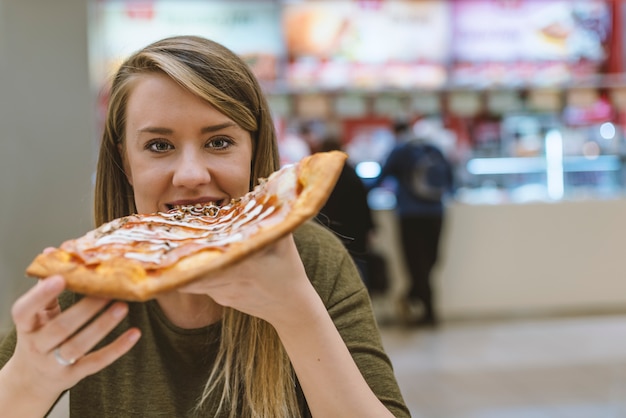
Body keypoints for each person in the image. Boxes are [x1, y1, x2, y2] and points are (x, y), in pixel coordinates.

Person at [0, 36, 409, 417]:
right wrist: (27, 381)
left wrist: (297, 314)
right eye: (159, 146)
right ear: (126, 163)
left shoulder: (309, 258)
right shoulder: (90, 275)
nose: (191, 175)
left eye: (219, 142)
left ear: (254, 151)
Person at [376, 119, 454, 328]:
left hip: (409, 214)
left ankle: (422, 307)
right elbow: (452, 180)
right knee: (430, 262)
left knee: (415, 263)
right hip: (436, 213)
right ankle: (425, 307)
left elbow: (380, 178)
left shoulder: (400, 151)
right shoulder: (435, 149)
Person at [316, 136, 375, 289]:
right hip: (355, 234)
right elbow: (364, 206)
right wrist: (370, 229)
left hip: (330, 233)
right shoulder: (351, 174)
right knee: (359, 274)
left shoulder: (320, 176)